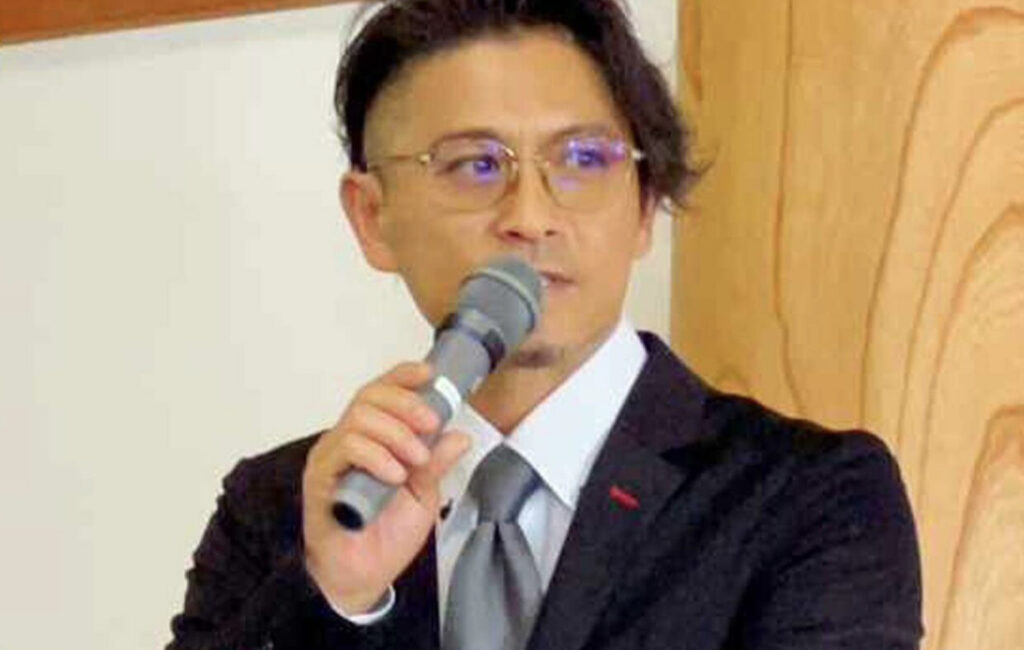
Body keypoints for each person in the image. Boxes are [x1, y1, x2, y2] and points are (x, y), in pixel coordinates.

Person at [168, 1, 923, 649]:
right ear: (373, 217)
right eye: (475, 165)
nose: (531, 217)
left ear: (644, 204)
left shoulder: (809, 497)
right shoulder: (283, 507)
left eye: (584, 158)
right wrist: (337, 599)